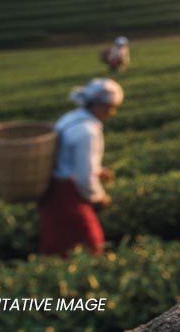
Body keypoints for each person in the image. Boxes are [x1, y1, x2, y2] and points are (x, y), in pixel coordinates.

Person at [38, 78, 123, 257]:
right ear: (98, 105)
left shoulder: (69, 118)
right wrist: (99, 197)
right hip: (69, 198)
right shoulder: (88, 132)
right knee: (90, 246)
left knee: (56, 247)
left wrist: (98, 169)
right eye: (111, 107)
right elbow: (85, 177)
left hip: (51, 193)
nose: (112, 112)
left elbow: (67, 157)